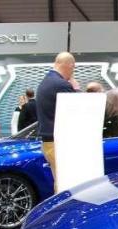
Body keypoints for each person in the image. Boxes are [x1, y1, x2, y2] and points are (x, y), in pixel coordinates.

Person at [36, 52, 80, 189]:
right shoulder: (61, 85)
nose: (73, 72)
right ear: (70, 65)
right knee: (67, 184)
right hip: (59, 143)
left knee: (60, 182)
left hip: (49, 142)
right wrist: (76, 88)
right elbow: (80, 108)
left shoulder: (46, 81)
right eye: (73, 68)